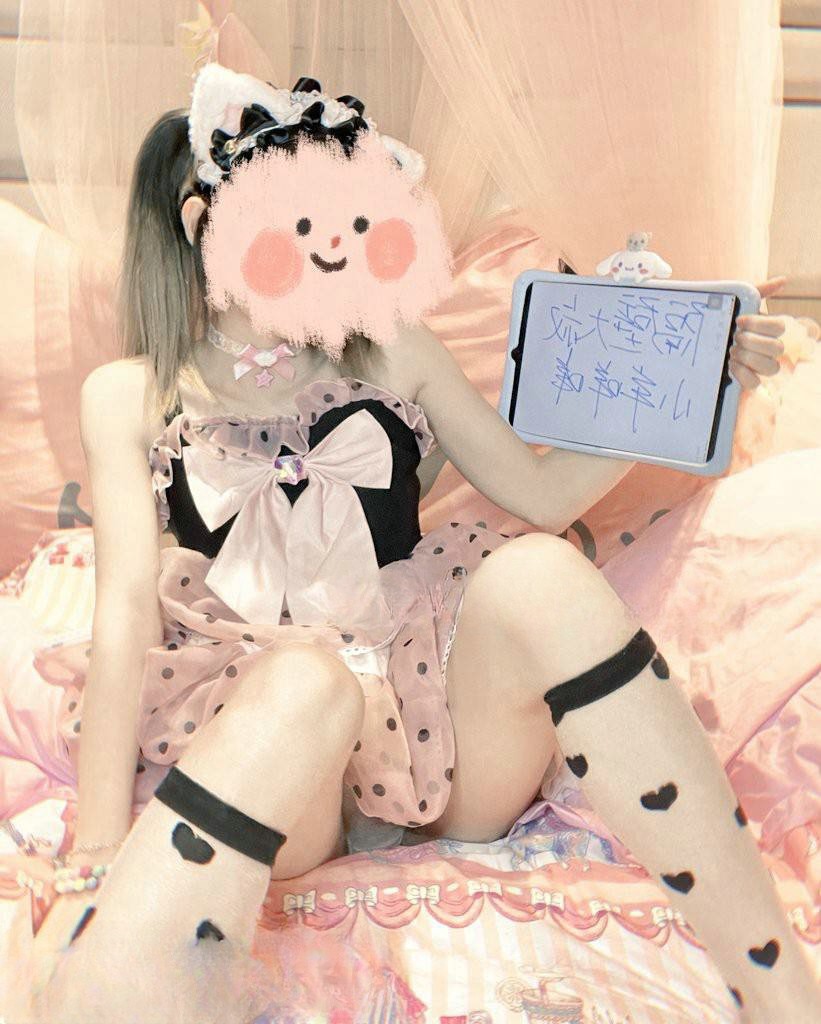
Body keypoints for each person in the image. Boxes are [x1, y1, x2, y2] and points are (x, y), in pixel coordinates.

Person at [10, 62, 818, 1023]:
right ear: (200, 226)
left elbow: (542, 495)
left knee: (540, 573)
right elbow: (122, 615)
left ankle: (780, 991)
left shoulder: (392, 349)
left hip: (431, 742)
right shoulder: (132, 395)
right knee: (306, 679)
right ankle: (103, 991)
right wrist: (97, 847)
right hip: (277, 754)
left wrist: (693, 382)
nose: (334, 248)